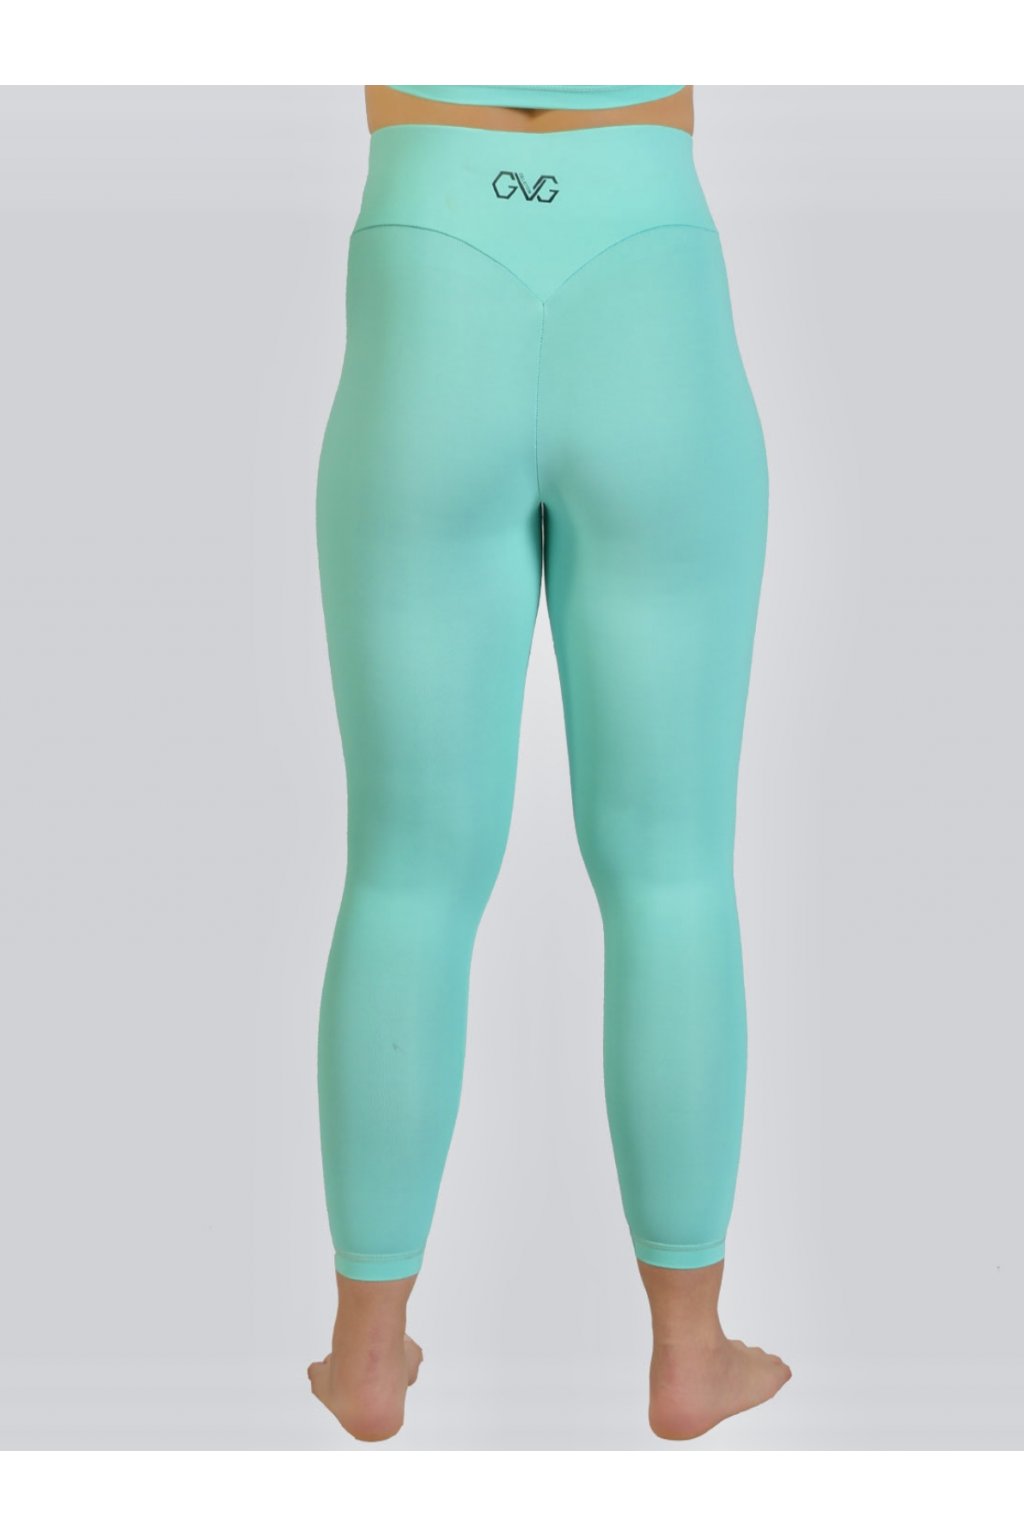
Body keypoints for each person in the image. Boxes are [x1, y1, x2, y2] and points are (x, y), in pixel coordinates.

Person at [308, 83, 792, 1442]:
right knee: (673, 870)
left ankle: (365, 1355)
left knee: (404, 871)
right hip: (647, 255)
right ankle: (689, 1353)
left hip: (425, 244)